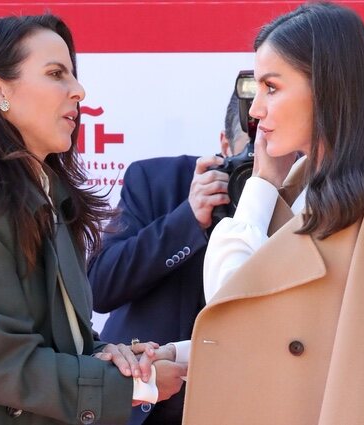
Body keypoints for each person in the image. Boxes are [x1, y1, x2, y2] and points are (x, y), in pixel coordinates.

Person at [145, 2, 364, 424]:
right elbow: (271, 330)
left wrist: (262, 184)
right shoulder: (307, 192)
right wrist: (178, 354)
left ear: (328, 88)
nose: (256, 111)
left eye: (272, 88)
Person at [0, 14, 186, 425]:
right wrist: (138, 386)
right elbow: (8, 367)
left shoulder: (49, 198)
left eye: (72, 74)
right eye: (56, 73)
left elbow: (63, 341)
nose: (79, 91)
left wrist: (113, 357)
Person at [87, 90, 250, 424]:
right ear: (224, 144)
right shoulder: (158, 182)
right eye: (249, 155)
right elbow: (101, 287)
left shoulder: (307, 203)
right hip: (147, 400)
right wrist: (187, 220)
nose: (257, 171)